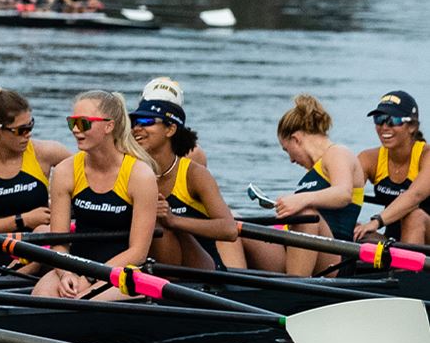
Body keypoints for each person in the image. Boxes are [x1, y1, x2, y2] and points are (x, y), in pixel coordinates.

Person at [31, 90, 158, 299]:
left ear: (109, 126)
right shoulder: (65, 171)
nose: (76, 130)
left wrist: (91, 278)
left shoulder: (140, 175)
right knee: (41, 296)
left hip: (124, 271)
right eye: (73, 123)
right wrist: (65, 273)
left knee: (83, 302)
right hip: (74, 265)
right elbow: (59, 242)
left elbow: (138, 251)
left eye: (84, 123)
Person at [239, 95, 365, 275]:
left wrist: (301, 200)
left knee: (305, 214)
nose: (290, 160)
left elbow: (343, 193)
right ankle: (231, 288)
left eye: (286, 149)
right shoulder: (313, 172)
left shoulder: (338, 153)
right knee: (233, 222)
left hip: (336, 258)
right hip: (301, 252)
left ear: (296, 139)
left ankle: (295, 287)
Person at [0, 87, 72, 268]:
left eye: (30, 126)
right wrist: (22, 220)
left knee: (43, 231)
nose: (28, 134)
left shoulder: (46, 153)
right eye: (20, 130)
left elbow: (89, 172)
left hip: (39, 246)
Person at [129, 96, 236, 270]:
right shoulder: (131, 170)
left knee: (160, 224)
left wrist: (173, 220)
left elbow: (229, 229)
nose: (136, 128)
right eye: (133, 122)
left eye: (146, 121)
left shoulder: (194, 174)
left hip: (203, 272)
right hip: (152, 267)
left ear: (170, 129)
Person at [354, 90, 429, 243]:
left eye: (393, 120)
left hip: (426, 239)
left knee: (414, 215)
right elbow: (343, 191)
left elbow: (415, 196)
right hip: (394, 240)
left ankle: (406, 266)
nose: (384, 127)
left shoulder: (425, 156)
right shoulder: (369, 158)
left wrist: (376, 221)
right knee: (353, 229)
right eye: (379, 119)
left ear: (412, 126)